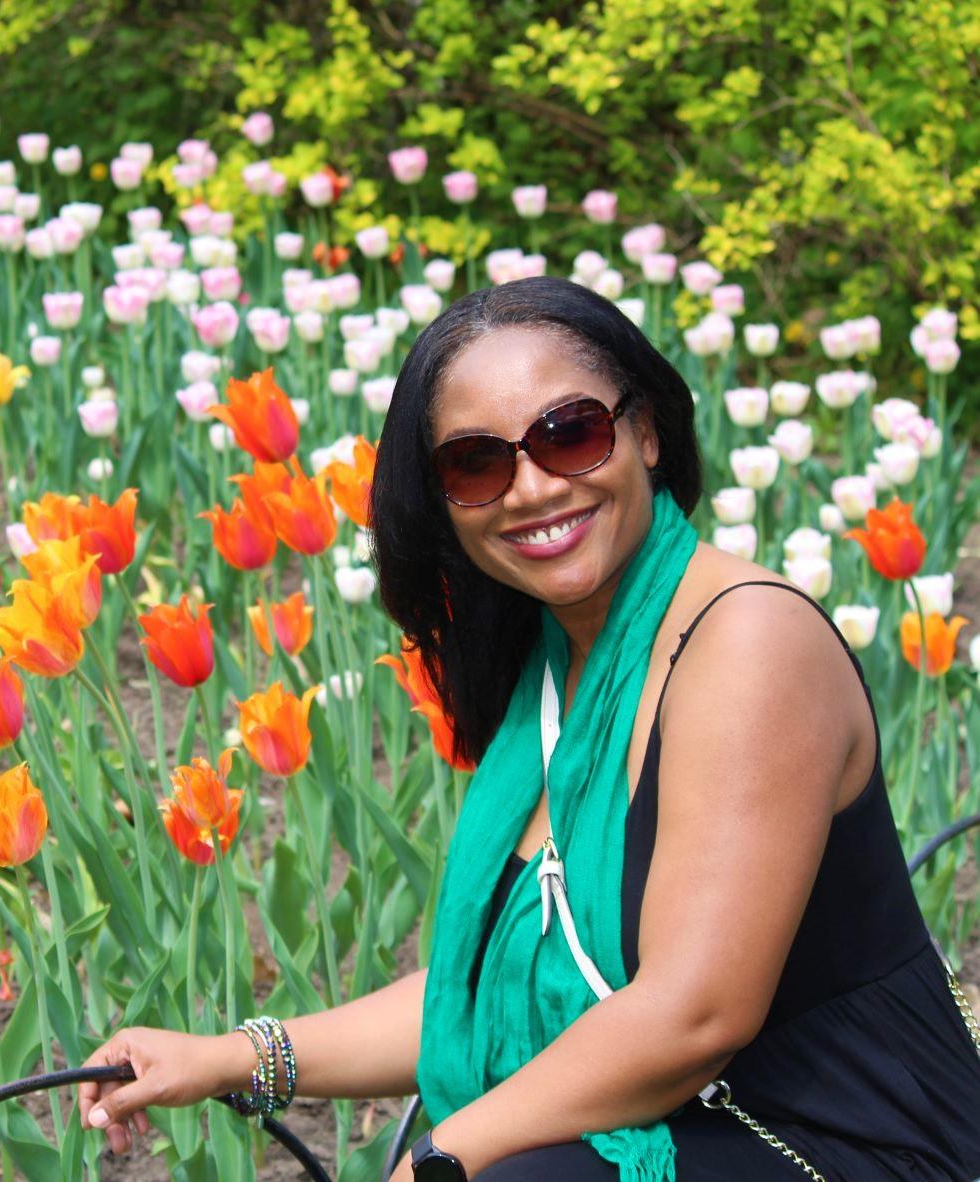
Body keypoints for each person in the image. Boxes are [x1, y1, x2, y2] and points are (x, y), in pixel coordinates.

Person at [76, 276, 980, 1180]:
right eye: (477, 463)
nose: (532, 487)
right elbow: (485, 989)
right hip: (680, 1120)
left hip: (846, 1138)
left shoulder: (746, 642)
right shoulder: (556, 666)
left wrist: (439, 1156)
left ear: (646, 432)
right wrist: (230, 1055)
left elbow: (694, 1014)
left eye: (569, 433)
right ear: (442, 502)